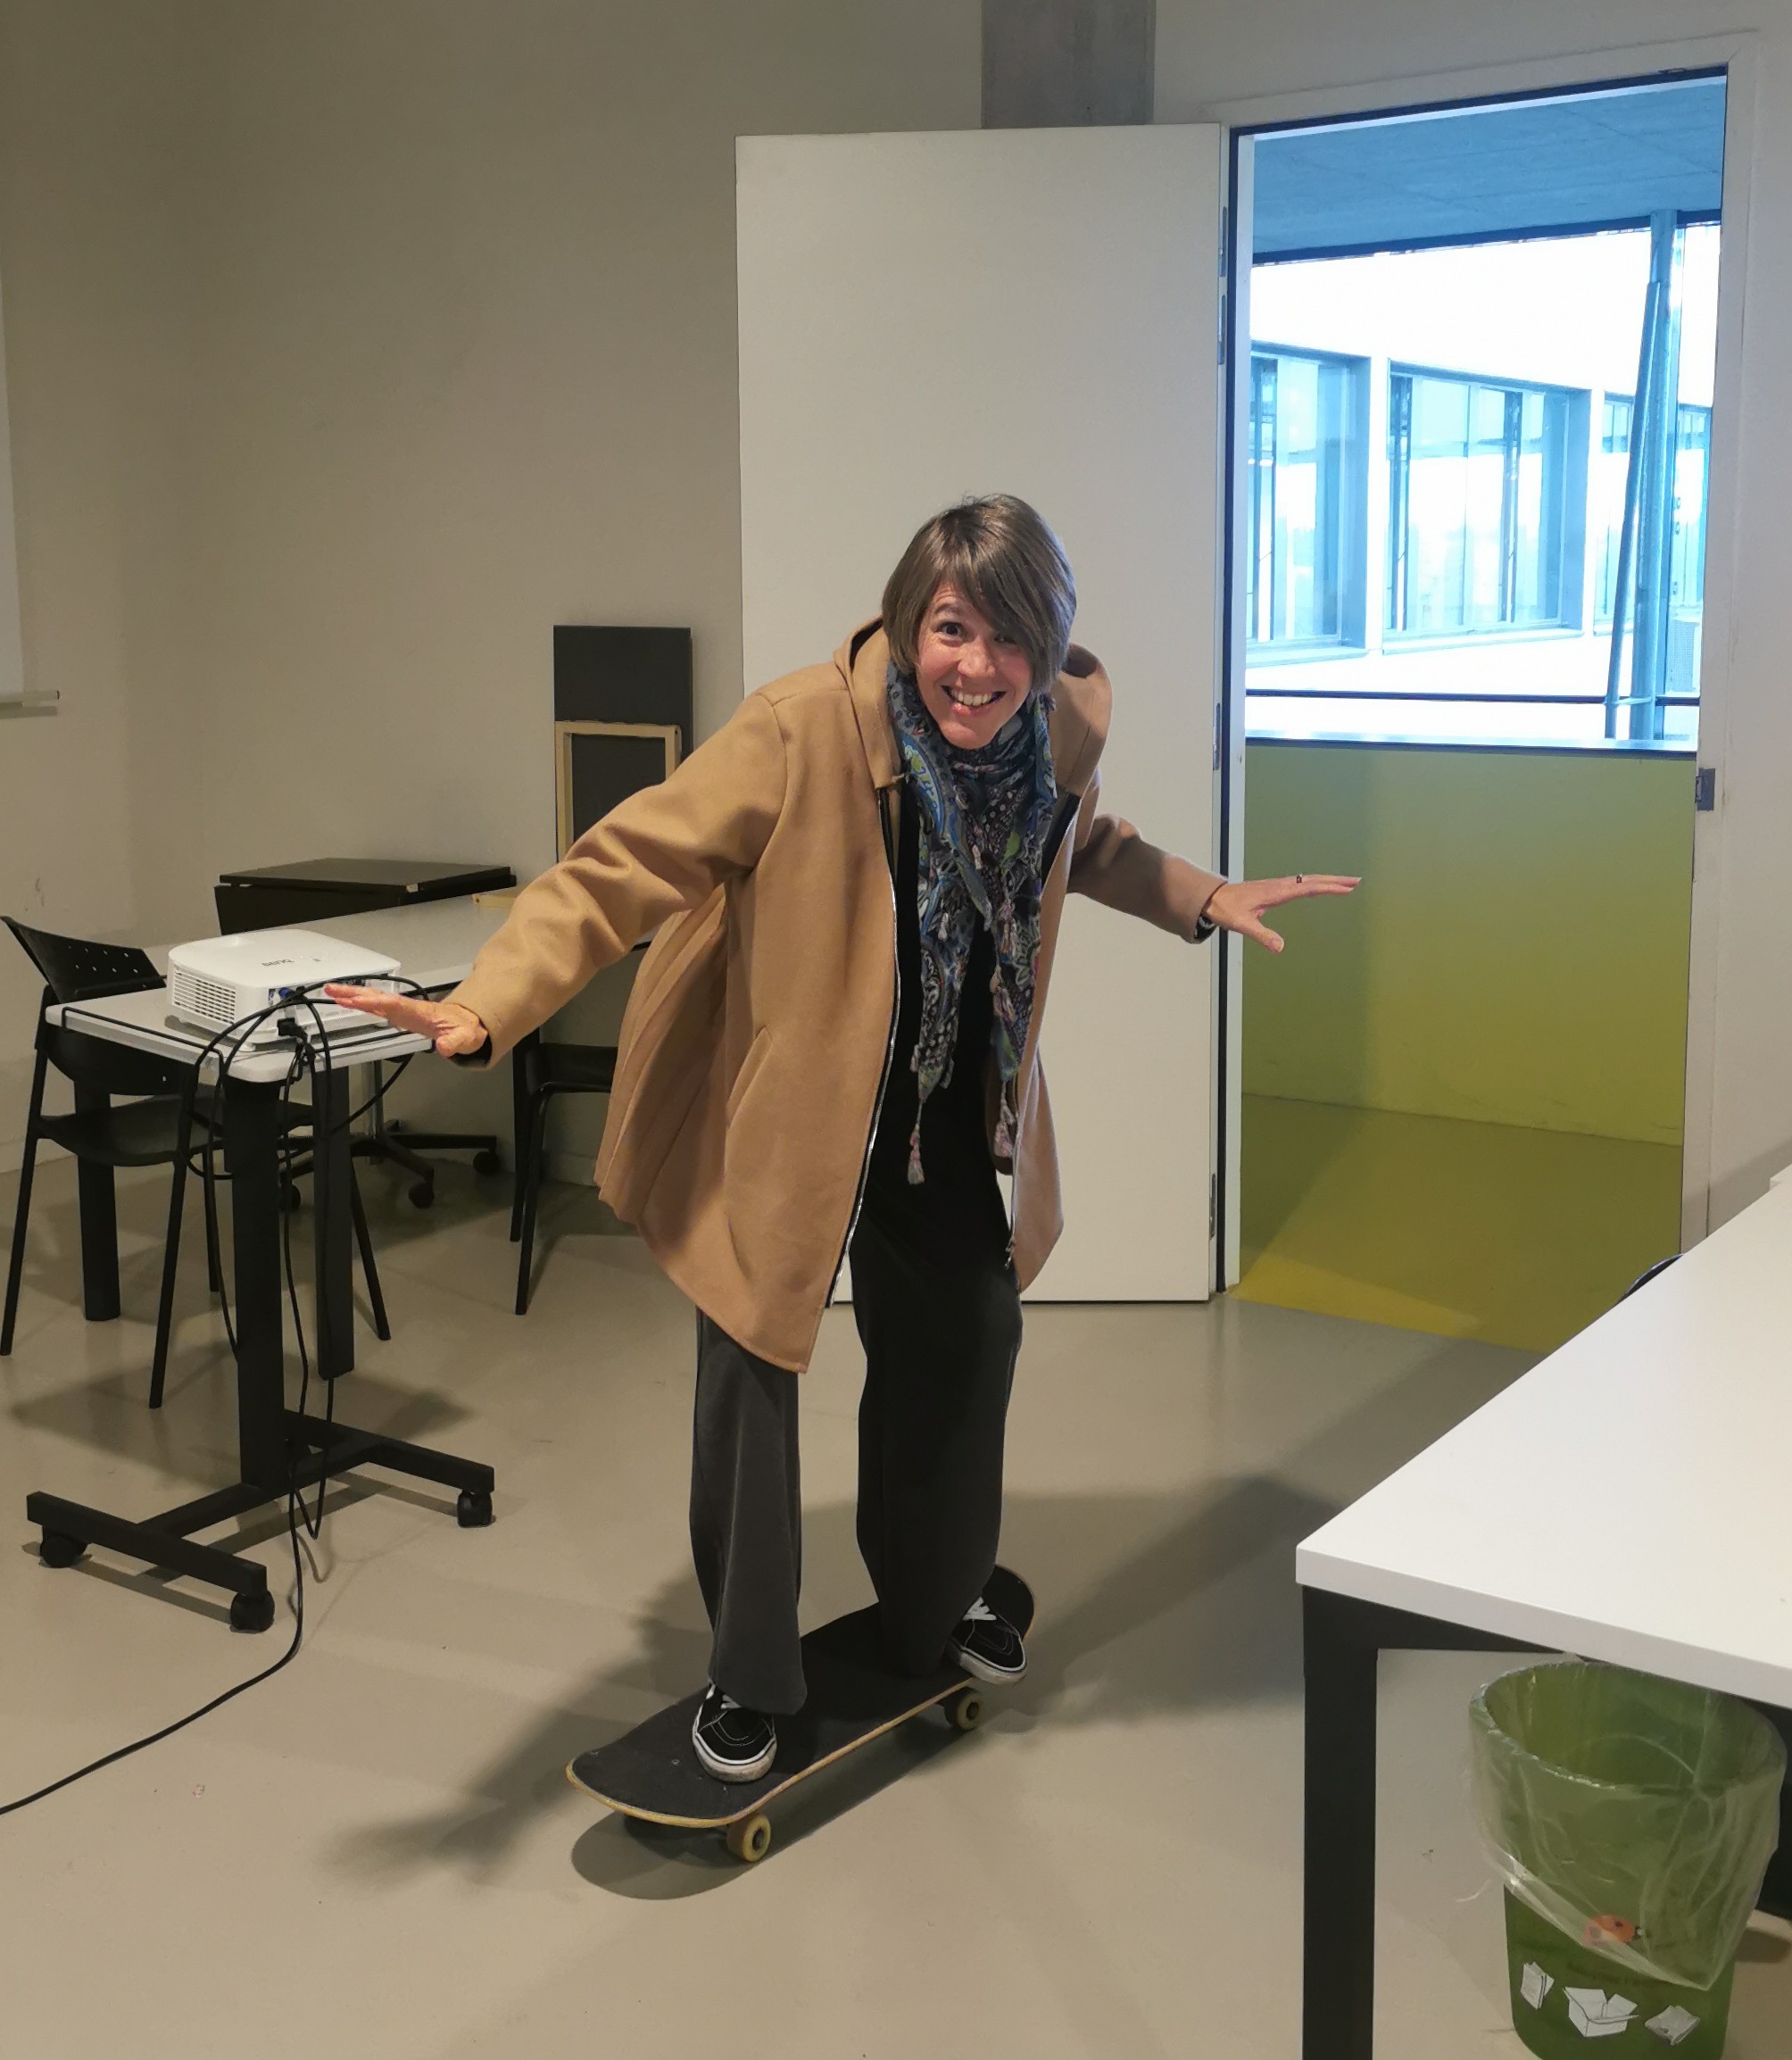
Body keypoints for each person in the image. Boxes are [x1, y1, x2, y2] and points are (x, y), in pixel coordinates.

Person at [329, 496, 1355, 1782]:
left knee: (968, 1340)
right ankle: (747, 1681)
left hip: (940, 1110)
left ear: (1048, 646)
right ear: (910, 623)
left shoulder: (1052, 729)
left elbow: (1074, 838)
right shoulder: (800, 731)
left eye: (1008, 639)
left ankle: (935, 1601)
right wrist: (484, 1005)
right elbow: (618, 868)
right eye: (951, 630)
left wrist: (1198, 894)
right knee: (756, 1383)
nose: (976, 668)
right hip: (789, 1108)